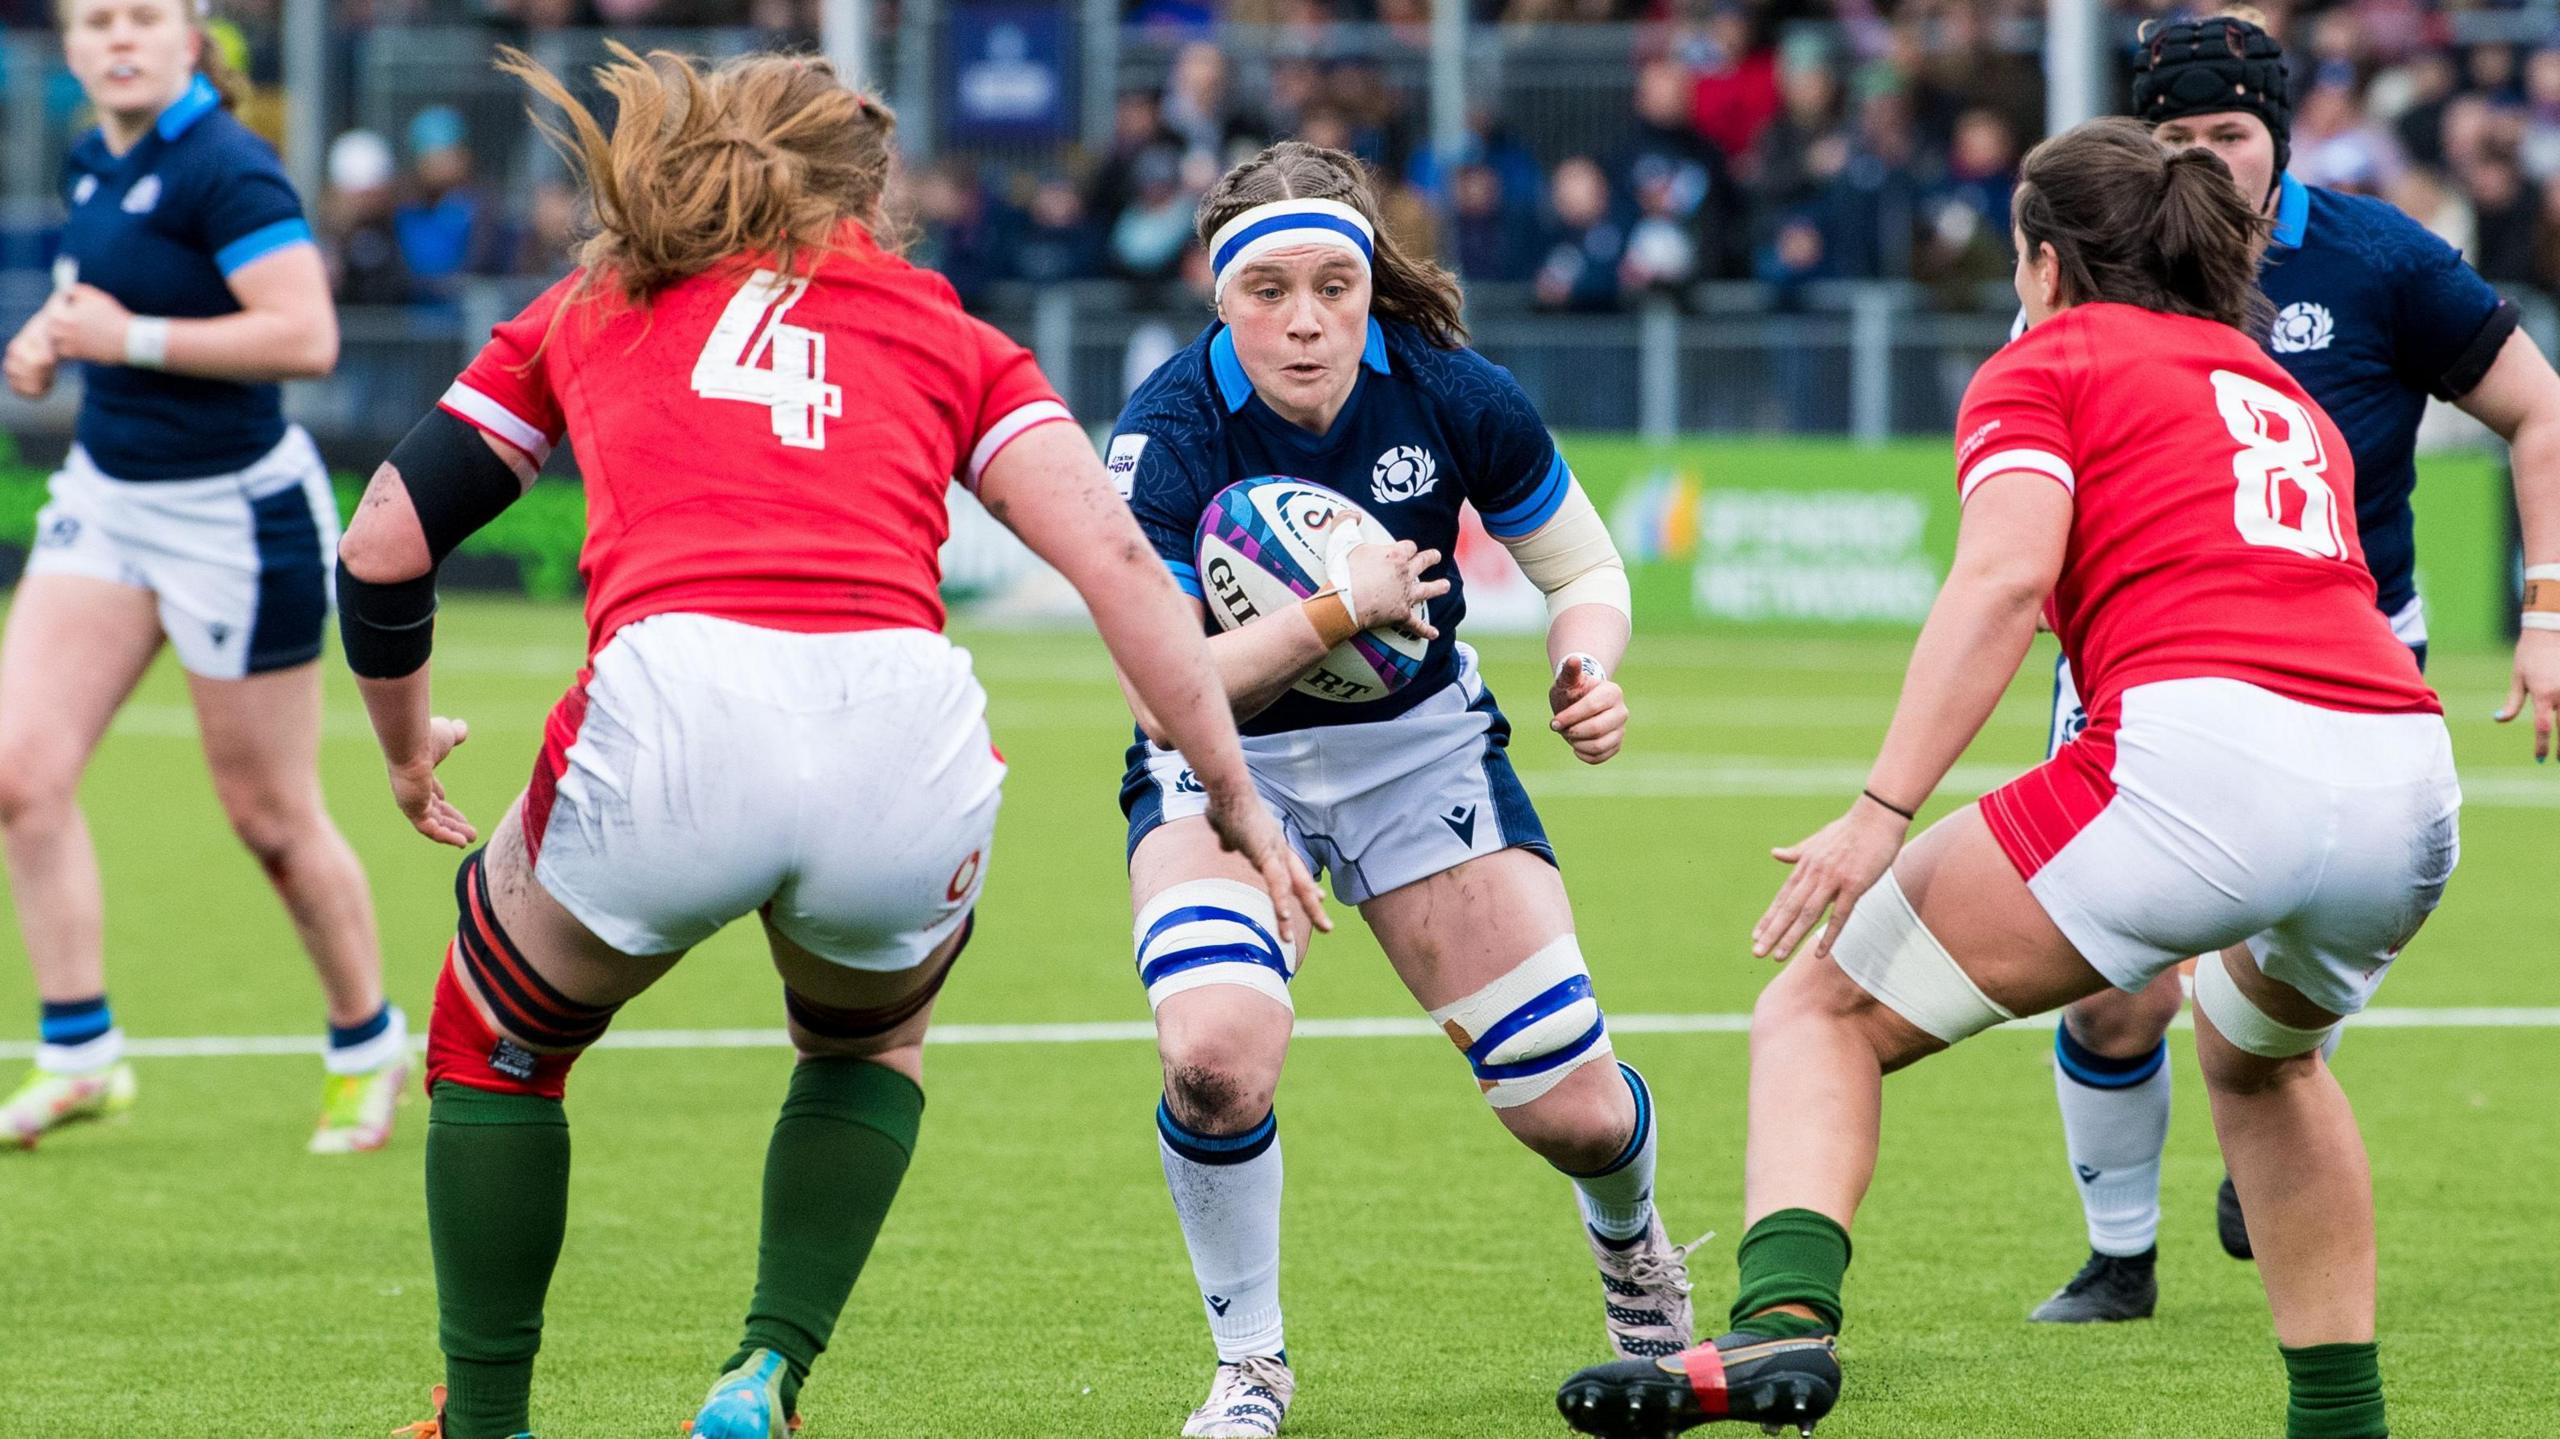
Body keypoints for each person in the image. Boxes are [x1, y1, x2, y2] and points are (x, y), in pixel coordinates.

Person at [345, 46, 1317, 1439]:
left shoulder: (599, 298)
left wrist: (400, 746)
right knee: (868, 1046)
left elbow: (383, 543)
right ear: (874, 192)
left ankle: (486, 1420)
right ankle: (766, 1369)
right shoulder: (947, 327)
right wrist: (1235, 791)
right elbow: (1115, 558)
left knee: (497, 1037)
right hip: (904, 722)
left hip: (676, 703)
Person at [1558, 118, 2461, 1439]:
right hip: (2405, 772)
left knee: (1819, 1009)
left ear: (2046, 260)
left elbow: (2001, 579)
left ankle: (1777, 1324)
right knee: (2264, 1066)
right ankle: (2342, 1419)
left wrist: (1879, 812)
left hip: (2203, 755)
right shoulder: (2279, 387)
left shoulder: (2049, 357)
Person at [1110, 141, 1684, 1439]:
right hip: (1222, 757)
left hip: (1419, 754)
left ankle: (1636, 1245)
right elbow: (1166, 692)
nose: (1304, 320)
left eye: (1333, 285)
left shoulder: (1454, 392)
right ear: (1219, 294)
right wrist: (1334, 607)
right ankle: (1250, 1363)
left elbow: (1585, 566)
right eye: (1267, 290)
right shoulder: (1162, 434)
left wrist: (1586, 661)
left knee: (1579, 1110)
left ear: (1372, 286)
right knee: (1213, 1059)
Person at [2027, 14, 2560, 1326]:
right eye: (2177, 139)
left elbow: (2538, 407)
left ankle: (2271, 1100)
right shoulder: (2096, 265)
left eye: (2231, 136)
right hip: (2140, 660)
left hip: (2350, 664)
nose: (2203, 163)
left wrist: (2547, 610)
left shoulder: (2380, 259)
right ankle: (2118, 1254)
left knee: (2278, 991)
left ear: (2283, 133)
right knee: (2112, 991)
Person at [0, 0, 403, 1154]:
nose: (117, 38)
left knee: (268, 816)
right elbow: (100, 304)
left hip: (234, 514)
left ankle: (364, 1037)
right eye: (94, 22)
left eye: (141, 18)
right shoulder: (94, 155)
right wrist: (47, 338)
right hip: (108, 497)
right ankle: (80, 1054)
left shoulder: (230, 168)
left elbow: (305, 339)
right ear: (70, 49)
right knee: (20, 774)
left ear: (191, 36)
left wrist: (122, 339)